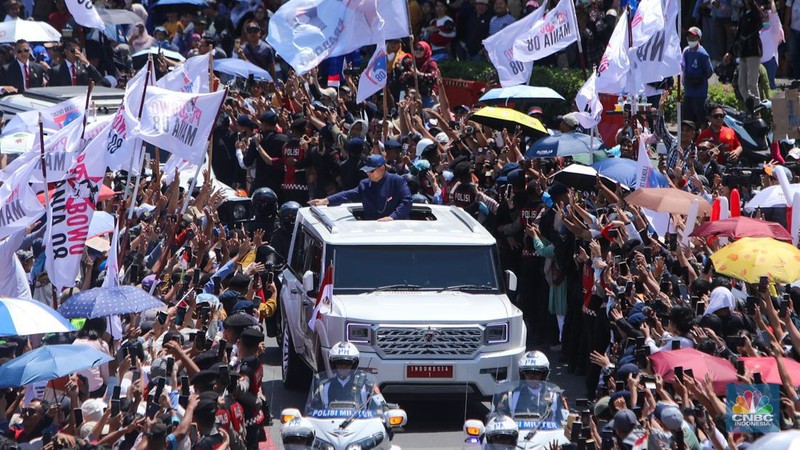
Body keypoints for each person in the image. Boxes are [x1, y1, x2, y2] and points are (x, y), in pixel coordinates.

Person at [309, 154, 412, 221]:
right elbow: (348, 195)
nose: (368, 174)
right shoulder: (364, 184)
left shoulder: (397, 181)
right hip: (370, 229)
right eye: (366, 171)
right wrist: (325, 200)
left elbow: (407, 201)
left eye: (371, 171)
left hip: (395, 229)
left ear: (381, 168)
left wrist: (392, 217)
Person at [312, 342, 376, 407]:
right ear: (333, 364)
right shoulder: (324, 387)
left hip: (357, 417)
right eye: (339, 363)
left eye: (348, 363)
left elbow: (381, 406)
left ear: (354, 365)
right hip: (331, 417)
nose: (343, 366)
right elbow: (312, 410)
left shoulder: (367, 386)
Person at [681, 27, 714, 125]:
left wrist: (699, 79)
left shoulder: (702, 54)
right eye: (689, 37)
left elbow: (709, 71)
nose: (690, 39)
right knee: (688, 120)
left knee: (701, 119)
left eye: (693, 37)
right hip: (688, 92)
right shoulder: (686, 52)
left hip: (700, 94)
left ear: (699, 38)